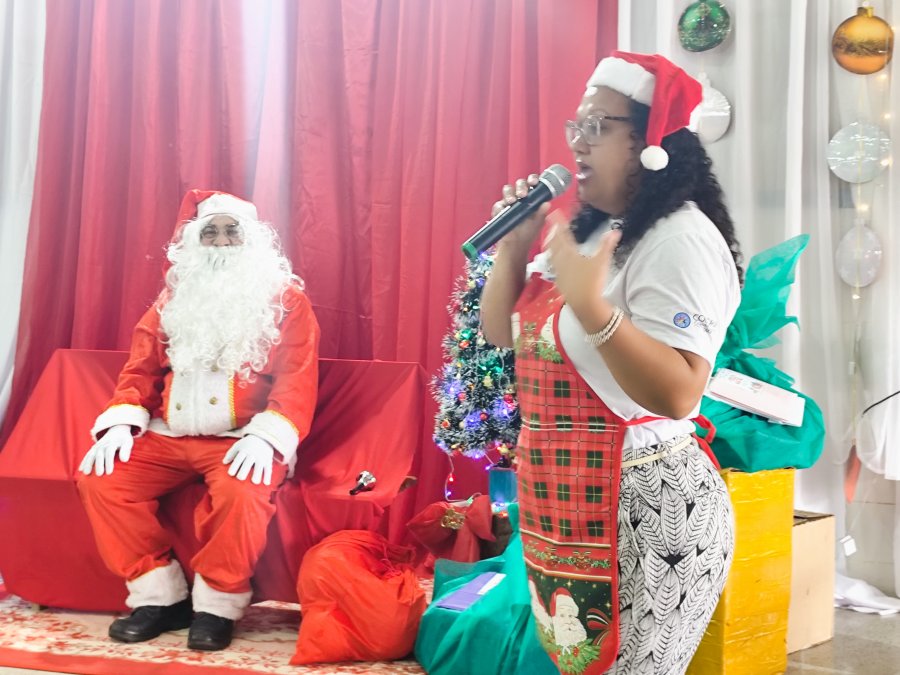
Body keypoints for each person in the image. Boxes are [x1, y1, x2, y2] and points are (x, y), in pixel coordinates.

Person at [481, 52, 741, 675]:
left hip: (650, 514)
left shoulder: (681, 239)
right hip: (569, 504)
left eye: (598, 126)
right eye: (577, 126)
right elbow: (500, 337)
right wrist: (512, 252)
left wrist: (593, 308)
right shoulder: (595, 232)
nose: (578, 141)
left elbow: (680, 392)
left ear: (651, 141)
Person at [77, 190, 320, 651]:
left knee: (243, 492)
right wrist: (120, 423)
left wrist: (267, 438)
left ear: (253, 239)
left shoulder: (287, 301)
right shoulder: (173, 298)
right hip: (169, 434)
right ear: (194, 241)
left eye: (232, 232)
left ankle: (217, 606)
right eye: (210, 232)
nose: (222, 242)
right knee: (102, 479)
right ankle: (160, 596)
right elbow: (140, 369)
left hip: (241, 438)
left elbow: (297, 381)